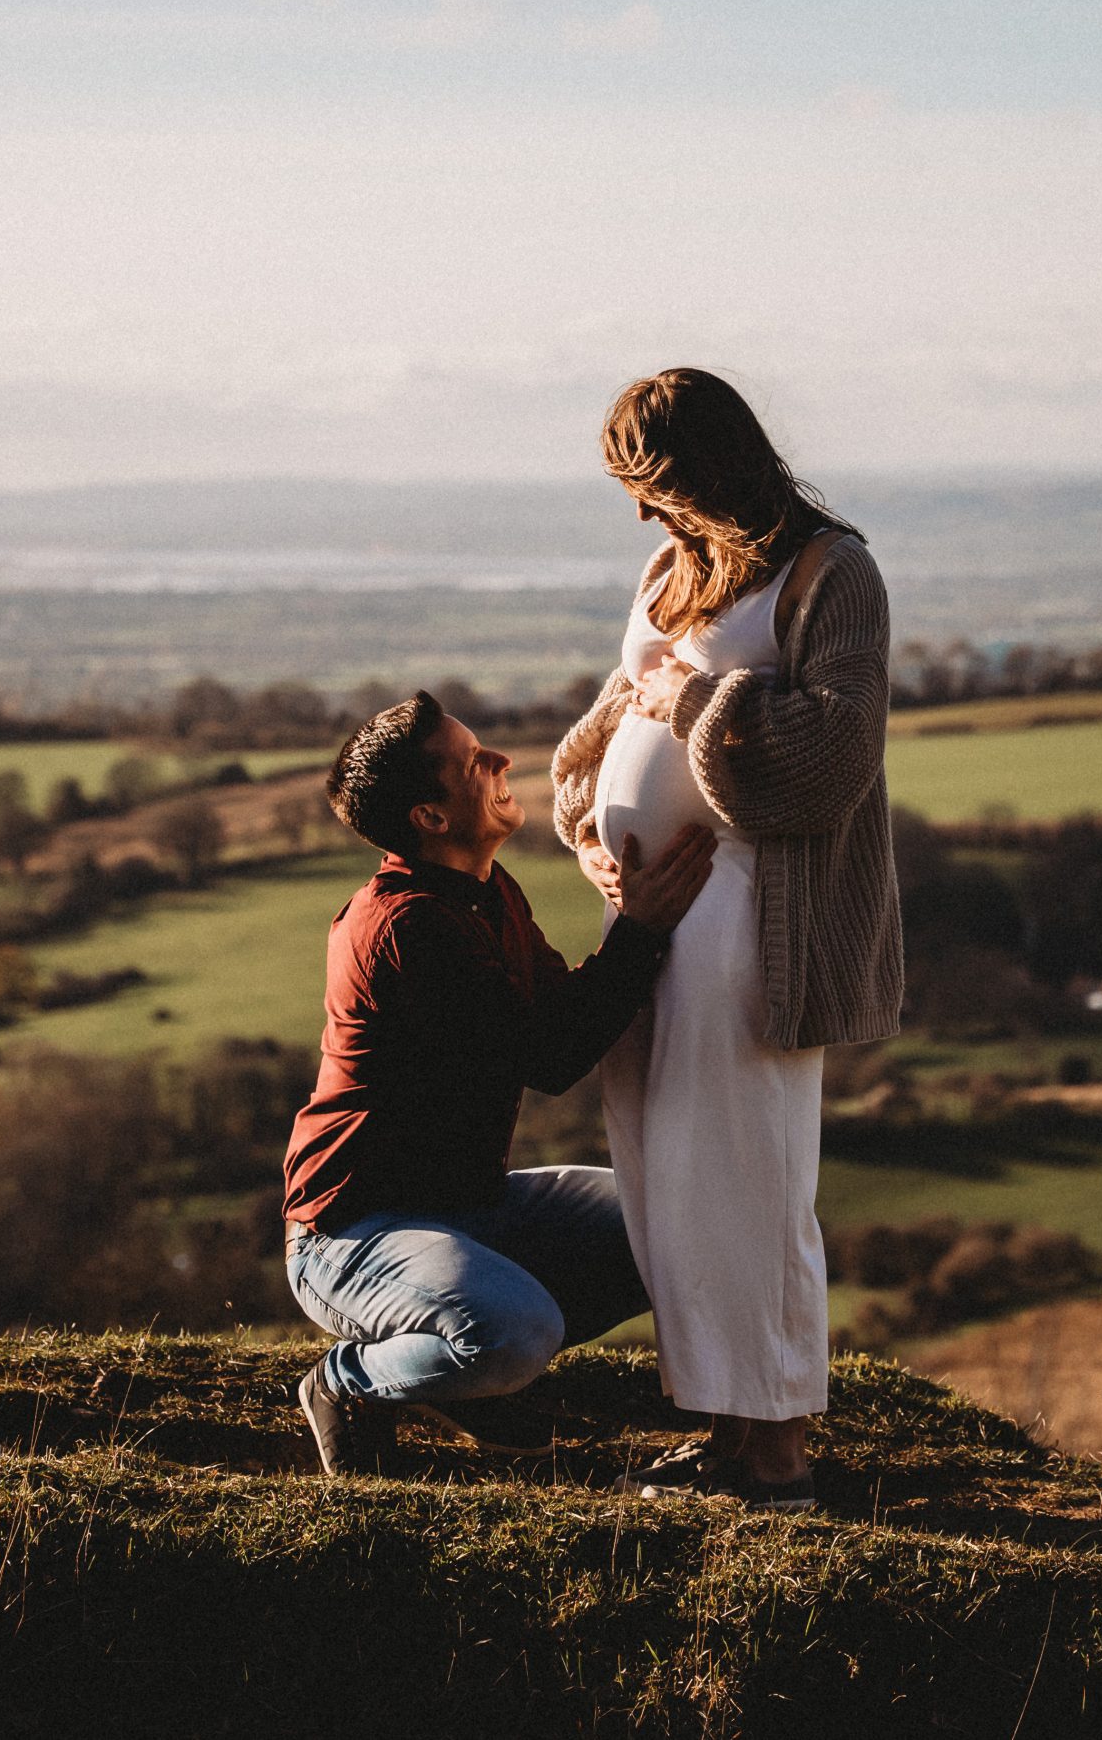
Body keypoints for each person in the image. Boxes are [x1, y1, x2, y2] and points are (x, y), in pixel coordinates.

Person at [550, 367, 903, 1511]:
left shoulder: (830, 574)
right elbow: (617, 707)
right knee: (664, 1183)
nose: (644, 516)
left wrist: (694, 709)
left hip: (751, 925)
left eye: (655, 487)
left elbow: (833, 758)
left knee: (747, 1181)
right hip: (643, 920)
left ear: (709, 467)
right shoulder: (671, 570)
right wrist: (590, 830)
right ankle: (718, 1426)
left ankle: (780, 1456)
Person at [282, 690, 714, 1475]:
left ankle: (459, 1374)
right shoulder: (407, 928)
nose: (501, 763)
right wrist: (643, 930)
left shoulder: (486, 891)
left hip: (466, 1210)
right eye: (473, 761)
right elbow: (549, 1055)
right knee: (513, 1334)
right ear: (432, 818)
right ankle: (348, 1383)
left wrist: (628, 915)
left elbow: (560, 1001)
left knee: (669, 1223)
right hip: (352, 1234)